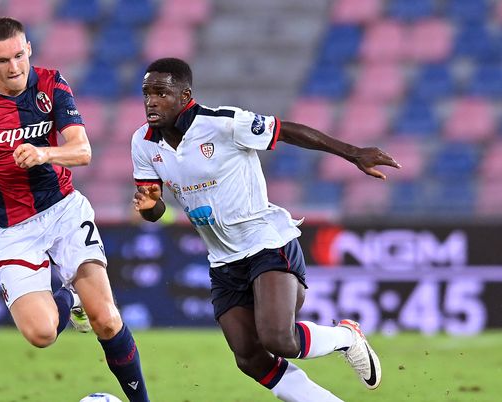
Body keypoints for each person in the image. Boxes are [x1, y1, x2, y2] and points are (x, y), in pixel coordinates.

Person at [0, 17, 149, 402]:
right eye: (3, 61)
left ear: (29, 48)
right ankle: (69, 298)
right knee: (42, 334)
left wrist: (44, 153)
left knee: (107, 319)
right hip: (10, 229)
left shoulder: (52, 84)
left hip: (63, 210)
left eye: (19, 56)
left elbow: (82, 150)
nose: (14, 67)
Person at [132, 58, 399, 401]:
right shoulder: (142, 143)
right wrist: (149, 206)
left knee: (279, 339)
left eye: (161, 92)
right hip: (223, 260)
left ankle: (347, 337)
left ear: (185, 95)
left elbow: (285, 130)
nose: (151, 101)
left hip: (265, 241)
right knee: (248, 356)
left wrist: (353, 153)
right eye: (147, 93)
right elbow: (155, 208)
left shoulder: (223, 123)